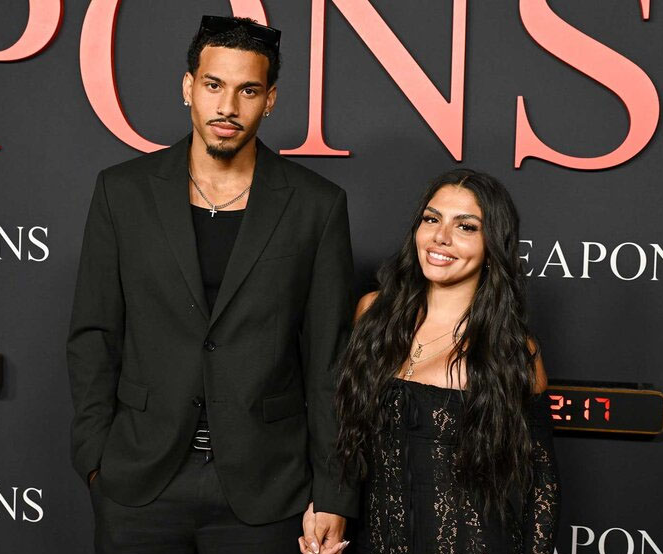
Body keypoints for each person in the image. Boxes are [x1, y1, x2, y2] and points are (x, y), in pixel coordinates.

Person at [67, 16, 355, 553]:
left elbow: (330, 362)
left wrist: (334, 491)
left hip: (266, 488)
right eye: (213, 85)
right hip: (139, 482)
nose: (228, 107)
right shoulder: (122, 193)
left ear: (270, 100)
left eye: (248, 90)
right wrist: (95, 459)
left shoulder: (316, 205)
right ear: (188, 87)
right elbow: (94, 335)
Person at [318, 169, 560, 553]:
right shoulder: (372, 315)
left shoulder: (510, 349)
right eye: (432, 219)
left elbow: (541, 485)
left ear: (492, 245)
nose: (441, 237)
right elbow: (340, 436)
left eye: (465, 227)